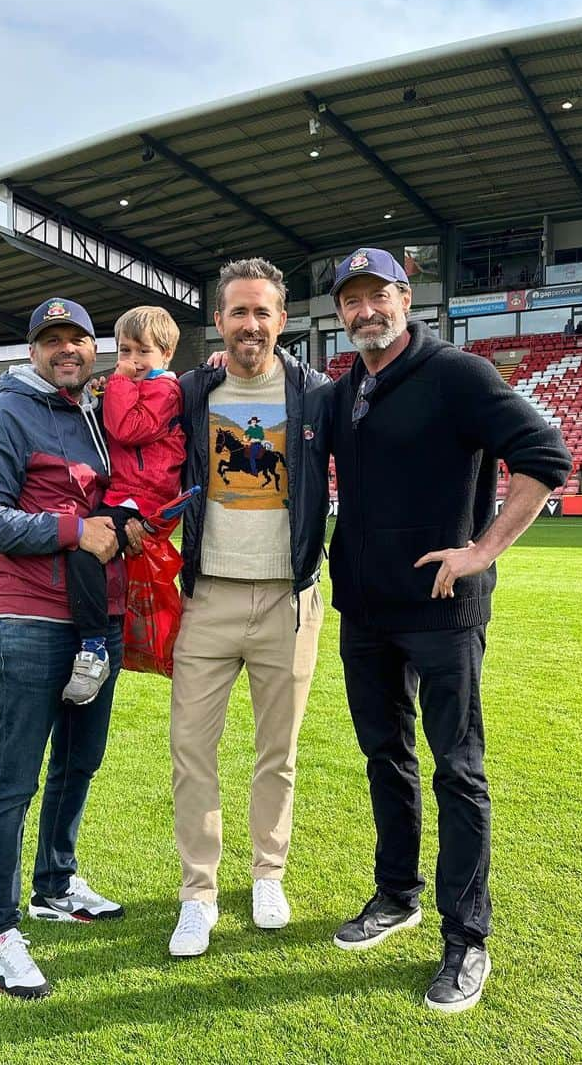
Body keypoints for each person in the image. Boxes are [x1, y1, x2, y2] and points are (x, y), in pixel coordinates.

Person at [326, 248, 572, 1012]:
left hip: (442, 614)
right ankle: (396, 895)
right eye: (351, 300)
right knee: (384, 757)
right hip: (365, 613)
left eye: (379, 296)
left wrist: (481, 551)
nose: (365, 310)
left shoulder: (458, 374)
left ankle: (466, 940)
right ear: (339, 313)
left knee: (457, 770)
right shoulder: (345, 394)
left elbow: (545, 457)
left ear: (406, 298)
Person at [0, 297, 138, 999]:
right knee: (15, 781)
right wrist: (74, 530)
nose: (66, 349)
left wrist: (125, 527)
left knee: (80, 762)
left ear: (92, 347)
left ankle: (55, 885)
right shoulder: (6, 413)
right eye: (52, 340)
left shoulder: (98, 413)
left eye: (78, 338)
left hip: (105, 616)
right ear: (33, 351)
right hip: (34, 619)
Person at [167, 257, 332, 957]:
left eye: (263, 312)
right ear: (221, 320)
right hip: (207, 598)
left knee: (278, 754)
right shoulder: (190, 391)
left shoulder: (316, 393)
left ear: (282, 321)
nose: (251, 324)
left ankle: (269, 873)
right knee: (190, 753)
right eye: (239, 311)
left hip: (289, 601)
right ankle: (198, 893)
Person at [61, 305, 185, 704]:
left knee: (84, 552)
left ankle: (94, 648)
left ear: (166, 355)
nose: (131, 362)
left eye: (142, 352)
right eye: (125, 352)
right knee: (93, 557)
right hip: (128, 493)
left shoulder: (164, 390)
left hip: (143, 498)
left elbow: (127, 429)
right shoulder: (140, 385)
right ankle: (101, 641)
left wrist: (115, 383)